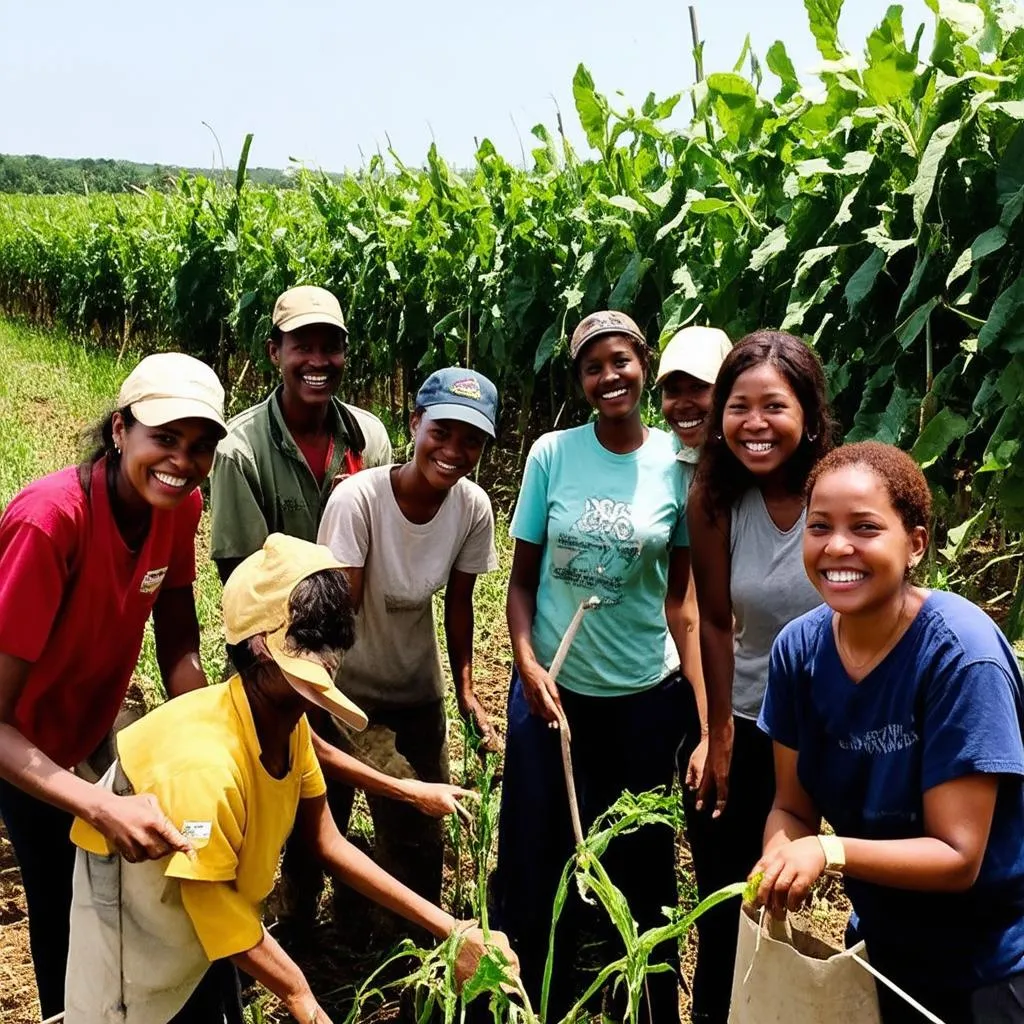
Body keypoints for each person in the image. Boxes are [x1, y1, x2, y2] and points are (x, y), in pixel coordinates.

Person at [64, 534, 517, 1024]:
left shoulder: (285, 720)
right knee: (131, 1002)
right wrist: (299, 993)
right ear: (259, 645)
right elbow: (211, 903)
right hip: (135, 899)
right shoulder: (206, 767)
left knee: (203, 983)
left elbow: (328, 842)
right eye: (308, 644)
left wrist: (451, 928)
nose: (326, 663)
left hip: (208, 901)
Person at [753, 442, 1024, 1024]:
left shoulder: (961, 657)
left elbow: (958, 856)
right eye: (819, 526)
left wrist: (828, 851)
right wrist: (780, 856)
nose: (838, 547)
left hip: (987, 966)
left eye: (866, 528)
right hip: (878, 951)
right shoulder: (797, 653)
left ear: (916, 545)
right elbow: (790, 807)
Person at [0, 353, 227, 1020]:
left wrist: (215, 742)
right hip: (23, 742)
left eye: (200, 446)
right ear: (121, 429)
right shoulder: (51, 522)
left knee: (142, 892)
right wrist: (94, 806)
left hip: (92, 718)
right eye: (164, 438)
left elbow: (179, 642)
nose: (181, 462)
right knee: (63, 901)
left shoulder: (178, 509)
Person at [494, 311, 694, 1022]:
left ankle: (642, 998)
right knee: (535, 849)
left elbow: (681, 596)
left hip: (644, 696)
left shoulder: (677, 462)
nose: (608, 377)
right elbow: (521, 583)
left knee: (641, 858)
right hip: (555, 690)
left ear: (644, 362)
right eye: (591, 367)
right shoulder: (552, 454)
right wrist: (526, 666)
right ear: (579, 380)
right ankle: (528, 994)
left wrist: (699, 708)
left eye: (620, 361)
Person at [312, 367, 500, 941]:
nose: (454, 450)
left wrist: (465, 690)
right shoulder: (358, 499)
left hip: (416, 688)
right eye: (442, 431)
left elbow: (460, 606)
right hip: (344, 687)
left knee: (421, 831)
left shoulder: (471, 508)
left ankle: (419, 953)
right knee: (320, 820)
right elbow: (336, 614)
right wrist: (334, 710)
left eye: (472, 440)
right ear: (414, 423)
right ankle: (304, 930)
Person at [686, 330, 833, 1023]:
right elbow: (715, 623)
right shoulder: (715, 500)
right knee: (730, 903)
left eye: (773, 406)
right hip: (751, 717)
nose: (755, 424)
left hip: (843, 725)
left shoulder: (838, 493)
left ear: (806, 414)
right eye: (738, 406)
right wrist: (717, 737)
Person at [209, 284, 392, 584]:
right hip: (277, 623)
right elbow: (240, 575)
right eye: (303, 347)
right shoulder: (240, 451)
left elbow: (381, 544)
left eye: (331, 348)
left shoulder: (371, 438)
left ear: (345, 353)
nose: (318, 361)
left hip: (358, 617)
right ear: (274, 352)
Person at [655, 325, 732, 790]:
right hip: (693, 666)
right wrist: (710, 726)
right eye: (672, 390)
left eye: (699, 388)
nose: (684, 403)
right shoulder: (670, 467)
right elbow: (686, 605)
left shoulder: (757, 466)